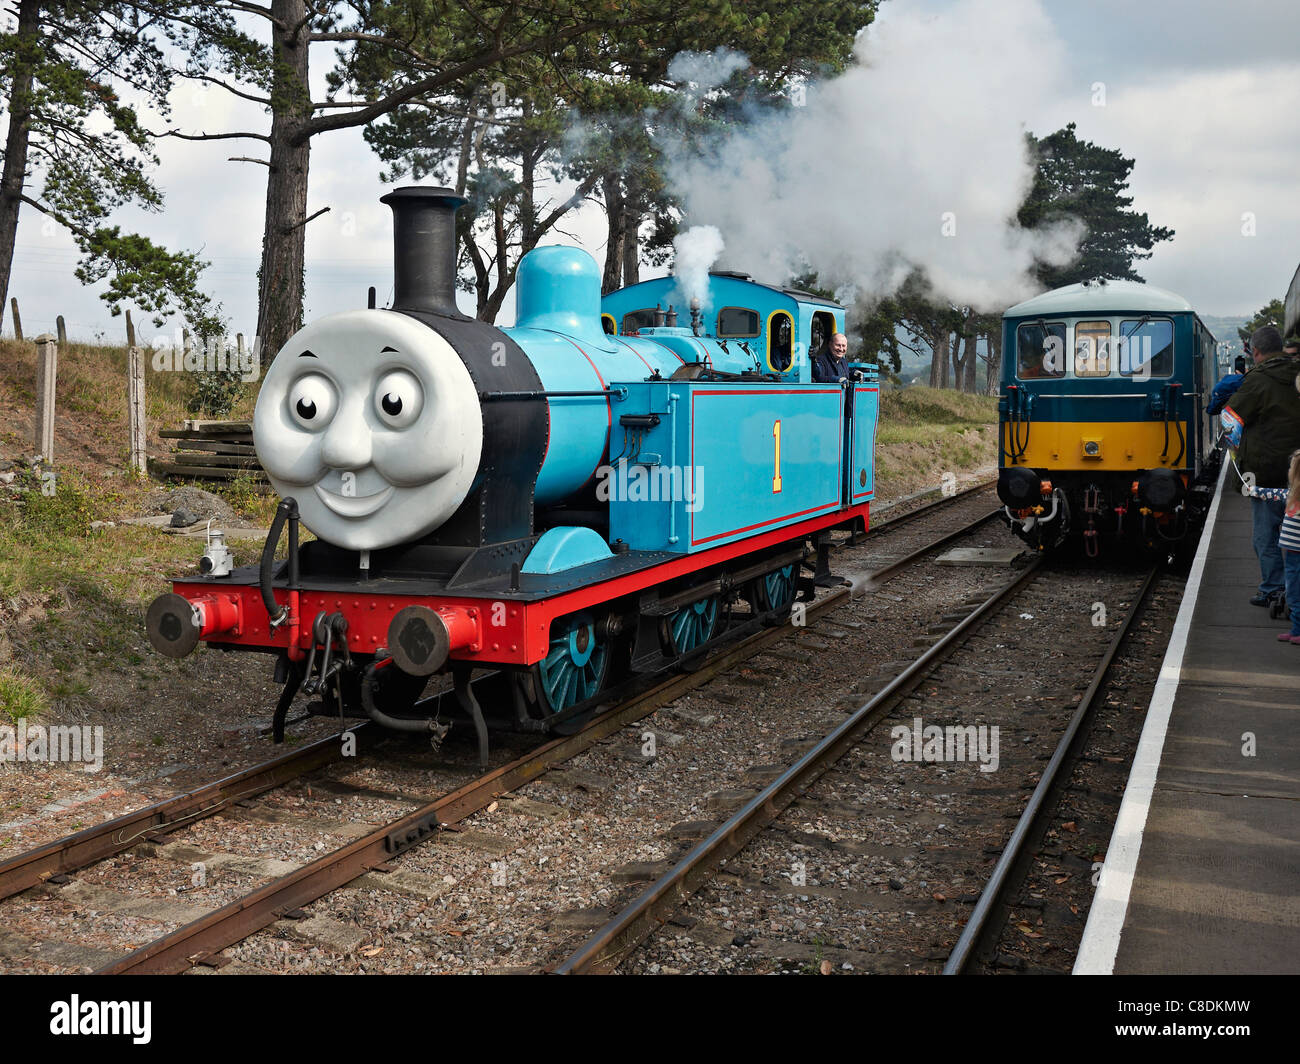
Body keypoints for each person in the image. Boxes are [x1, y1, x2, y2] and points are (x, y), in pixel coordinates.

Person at [1223, 325, 1300, 606]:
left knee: (1266, 536)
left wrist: (1235, 445)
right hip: (1298, 472)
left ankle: (1273, 589)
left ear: (1255, 352)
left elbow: (1230, 419)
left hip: (1265, 473)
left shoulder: (1257, 380)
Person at [1278, 449, 1300, 643]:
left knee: (1296, 591)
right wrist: (1254, 491)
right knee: (1292, 591)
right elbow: (1275, 494)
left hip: (1298, 554)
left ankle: (1299, 630)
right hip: (1292, 554)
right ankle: (1295, 629)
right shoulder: (1292, 494)